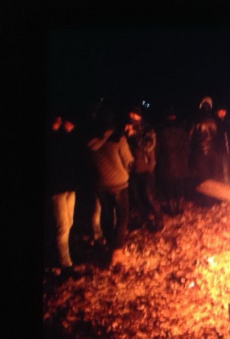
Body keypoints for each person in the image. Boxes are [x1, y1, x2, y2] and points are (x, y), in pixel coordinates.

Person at [87, 109, 134, 264]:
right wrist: (125, 171)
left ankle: (109, 246)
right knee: (122, 217)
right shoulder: (118, 138)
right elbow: (128, 160)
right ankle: (117, 252)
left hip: (101, 185)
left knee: (106, 216)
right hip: (119, 184)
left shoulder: (90, 141)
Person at [46, 114, 81, 268]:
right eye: (57, 120)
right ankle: (65, 262)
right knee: (63, 226)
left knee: (69, 223)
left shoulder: (66, 139)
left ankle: (66, 254)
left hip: (69, 188)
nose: (61, 122)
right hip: (57, 189)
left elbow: (73, 159)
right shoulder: (50, 140)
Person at [125, 105, 164, 232]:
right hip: (132, 169)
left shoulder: (147, 129)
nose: (132, 117)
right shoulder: (125, 128)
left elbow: (148, 146)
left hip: (146, 168)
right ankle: (145, 219)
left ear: (140, 116)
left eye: (134, 115)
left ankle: (159, 219)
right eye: (130, 114)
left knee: (150, 196)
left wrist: (134, 135)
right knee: (136, 197)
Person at [157, 107, 190, 216]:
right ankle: (180, 207)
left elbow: (158, 148)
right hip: (180, 162)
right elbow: (187, 147)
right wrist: (185, 159)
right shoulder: (182, 129)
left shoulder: (162, 130)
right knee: (179, 184)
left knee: (169, 185)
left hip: (167, 162)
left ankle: (171, 208)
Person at [189, 96, 218, 186]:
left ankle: (204, 198)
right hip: (213, 151)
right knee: (212, 174)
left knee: (202, 176)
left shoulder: (196, 120)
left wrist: (192, 149)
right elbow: (216, 135)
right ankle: (213, 197)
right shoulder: (214, 119)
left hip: (200, 151)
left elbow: (190, 136)